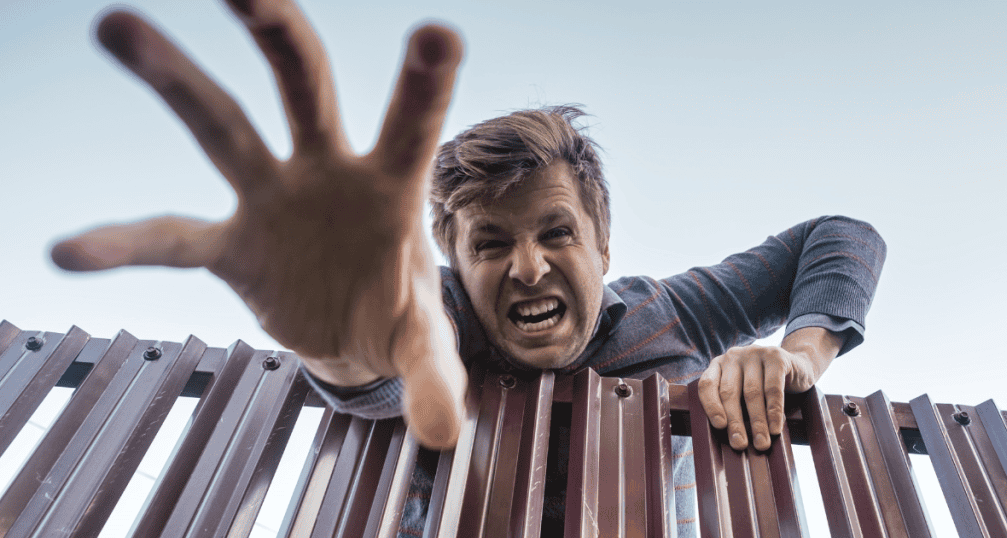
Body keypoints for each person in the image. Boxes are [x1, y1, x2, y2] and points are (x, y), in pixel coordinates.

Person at [50, 1, 885, 535]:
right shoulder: (433, 314)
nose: (527, 268)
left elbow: (842, 236)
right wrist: (340, 350)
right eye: (489, 243)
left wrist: (798, 352)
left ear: (604, 247)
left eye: (556, 234)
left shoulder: (670, 311)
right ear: (453, 259)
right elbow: (383, 369)